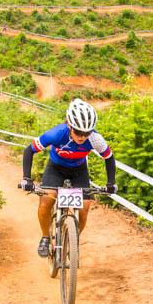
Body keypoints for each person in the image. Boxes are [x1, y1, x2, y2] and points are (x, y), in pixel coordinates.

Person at [20, 99, 118, 257]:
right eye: (78, 132)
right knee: (46, 201)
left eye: (86, 133)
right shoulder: (57, 133)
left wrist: (111, 183)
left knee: (84, 208)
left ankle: (72, 240)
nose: (82, 137)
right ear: (70, 126)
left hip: (79, 170)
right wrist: (26, 178)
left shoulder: (95, 139)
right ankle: (45, 237)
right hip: (56, 168)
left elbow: (109, 157)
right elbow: (29, 150)